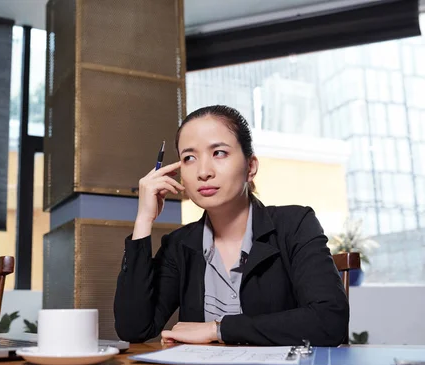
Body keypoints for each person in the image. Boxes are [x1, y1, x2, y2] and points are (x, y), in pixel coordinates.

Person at [114, 105, 349, 346]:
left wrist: (218, 330)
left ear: (250, 167)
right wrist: (143, 220)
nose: (203, 172)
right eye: (189, 158)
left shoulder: (295, 224)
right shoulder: (179, 244)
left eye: (219, 153)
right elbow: (134, 328)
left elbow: (330, 320)